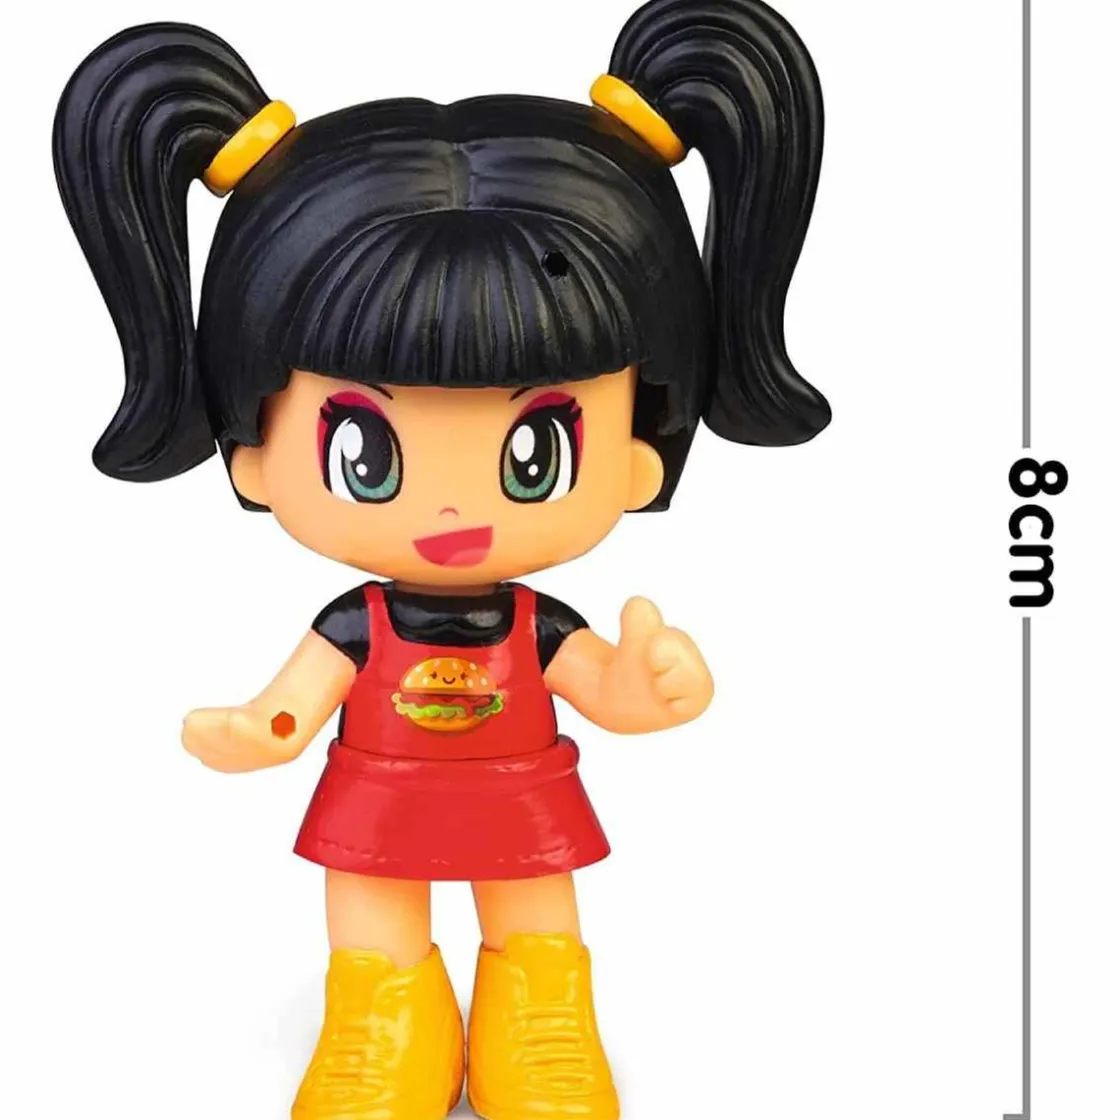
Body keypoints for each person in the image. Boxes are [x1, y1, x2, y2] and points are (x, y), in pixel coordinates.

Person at [52, 2, 828, 1117]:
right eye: (366, 452)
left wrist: (646, 687)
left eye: (535, 450)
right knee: (374, 912)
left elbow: (602, 690)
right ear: (254, 451)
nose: (454, 508)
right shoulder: (355, 627)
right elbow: (296, 702)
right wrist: (265, 729)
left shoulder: (536, 628)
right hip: (380, 796)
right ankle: (382, 1020)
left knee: (535, 911)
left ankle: (541, 1017)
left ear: (640, 450)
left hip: (520, 792)